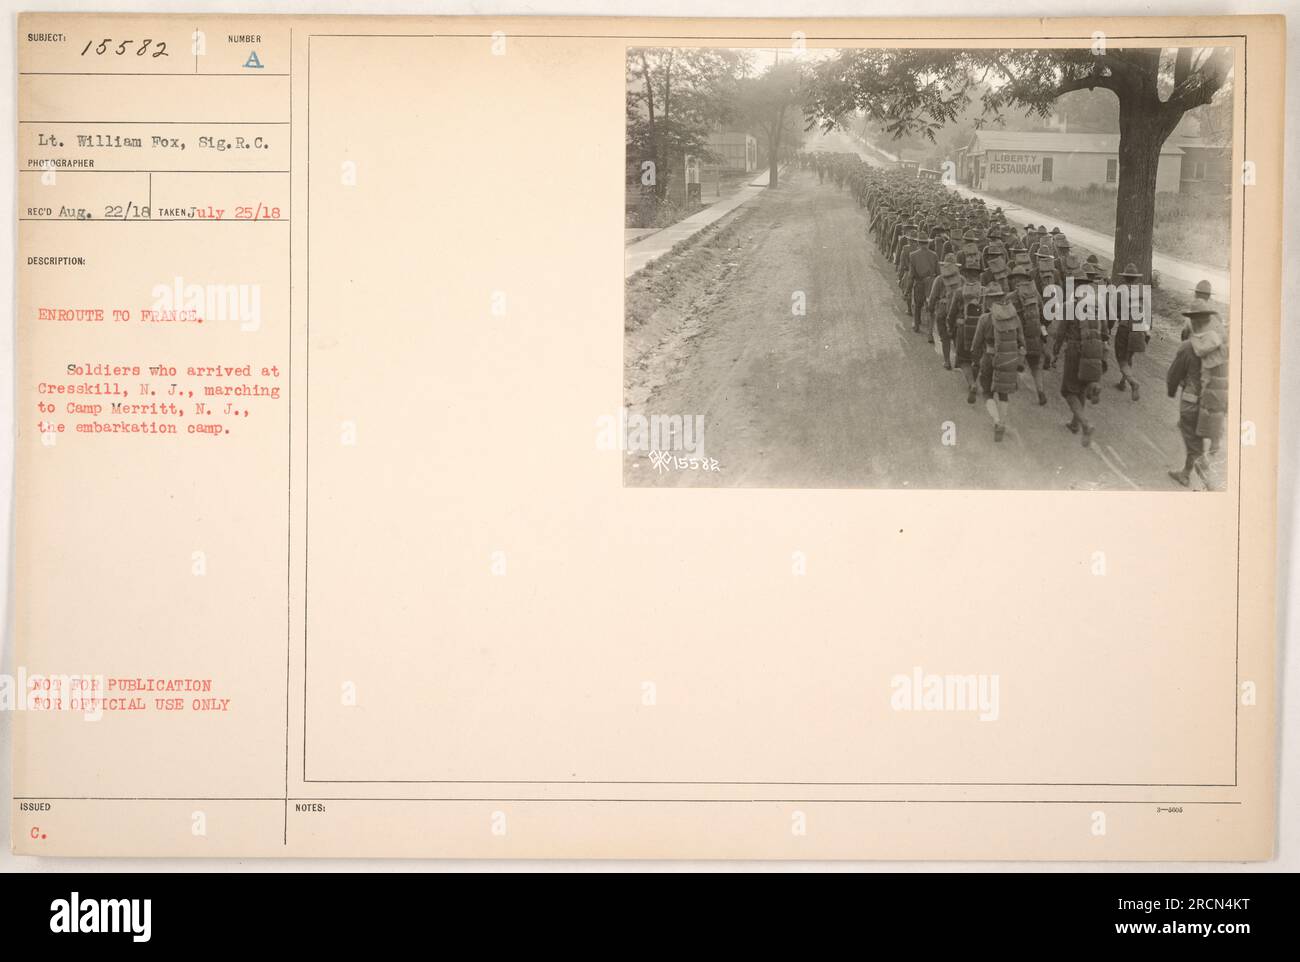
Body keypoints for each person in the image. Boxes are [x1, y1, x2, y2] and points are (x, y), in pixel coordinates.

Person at [1047, 279, 1107, 447]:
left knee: (1068, 390)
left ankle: (1085, 423)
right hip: (1095, 348)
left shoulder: (1069, 306)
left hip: (1075, 350)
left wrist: (1055, 352)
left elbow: (1060, 333)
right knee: (1080, 386)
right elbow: (1106, 332)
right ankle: (1075, 423)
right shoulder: (1097, 306)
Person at [1166, 307, 1220, 487]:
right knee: (1198, 442)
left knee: (1195, 446)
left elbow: (1173, 375)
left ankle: (1213, 488)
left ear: (1194, 323)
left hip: (1192, 403)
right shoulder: (1217, 345)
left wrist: (1172, 390)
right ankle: (1186, 473)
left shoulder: (1188, 346)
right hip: (1212, 404)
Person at [972, 286, 1026, 441]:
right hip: (1008, 359)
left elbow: (976, 344)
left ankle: (996, 420)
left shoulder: (984, 319)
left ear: (988, 302)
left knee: (987, 392)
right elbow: (1022, 342)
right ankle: (1002, 421)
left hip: (989, 358)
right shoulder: (1014, 318)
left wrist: (976, 360)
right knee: (1003, 393)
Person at [1009, 264, 1049, 405]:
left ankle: (1014, 382)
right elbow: (1045, 314)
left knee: (1011, 360)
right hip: (1035, 337)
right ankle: (1041, 392)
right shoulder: (1035, 294)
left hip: (1019, 339)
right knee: (1035, 367)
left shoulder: (1011, 297)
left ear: (1014, 280)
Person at [1111, 263, 1147, 401]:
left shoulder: (1120, 292)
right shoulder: (1142, 291)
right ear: (1136, 278)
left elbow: (1114, 312)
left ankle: (1133, 382)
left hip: (1125, 327)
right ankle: (1123, 382)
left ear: (1125, 277)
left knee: (1122, 359)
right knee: (1129, 355)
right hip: (1139, 327)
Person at [925, 253, 963, 365]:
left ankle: (947, 361)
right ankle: (957, 359)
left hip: (943, 309)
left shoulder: (940, 279)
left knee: (944, 337)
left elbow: (932, 296)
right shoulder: (961, 279)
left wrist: (931, 308)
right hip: (957, 310)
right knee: (956, 336)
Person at [907, 236, 940, 333]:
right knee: (930, 308)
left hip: (919, 282)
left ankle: (916, 326)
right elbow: (938, 273)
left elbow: (911, 275)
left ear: (918, 243)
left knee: (918, 305)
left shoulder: (913, 255)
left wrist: (908, 289)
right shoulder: (934, 255)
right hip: (931, 284)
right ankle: (930, 333)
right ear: (928, 243)